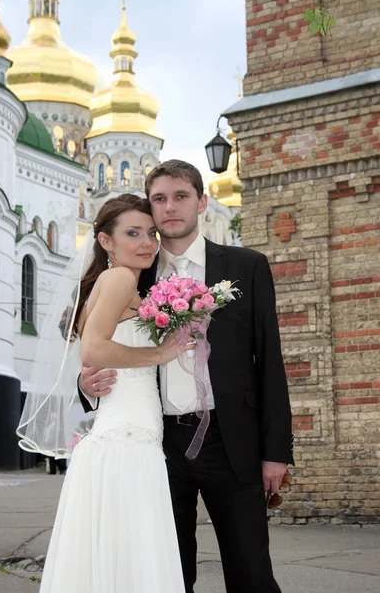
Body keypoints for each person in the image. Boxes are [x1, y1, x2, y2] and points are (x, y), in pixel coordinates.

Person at [80, 160, 294, 593]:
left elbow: (269, 361)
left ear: (202, 201)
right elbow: (100, 341)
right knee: (167, 573)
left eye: (180, 196)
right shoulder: (136, 270)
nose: (170, 207)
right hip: (160, 445)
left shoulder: (246, 266)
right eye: (159, 198)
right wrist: (87, 386)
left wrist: (276, 451)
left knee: (251, 571)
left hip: (231, 440)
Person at [37, 194, 190, 593]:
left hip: (122, 431)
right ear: (106, 241)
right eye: (133, 233)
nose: (146, 243)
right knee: (133, 549)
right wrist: (161, 352)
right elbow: (93, 350)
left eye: (151, 233)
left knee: (115, 552)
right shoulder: (120, 279)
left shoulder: (115, 282)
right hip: (128, 438)